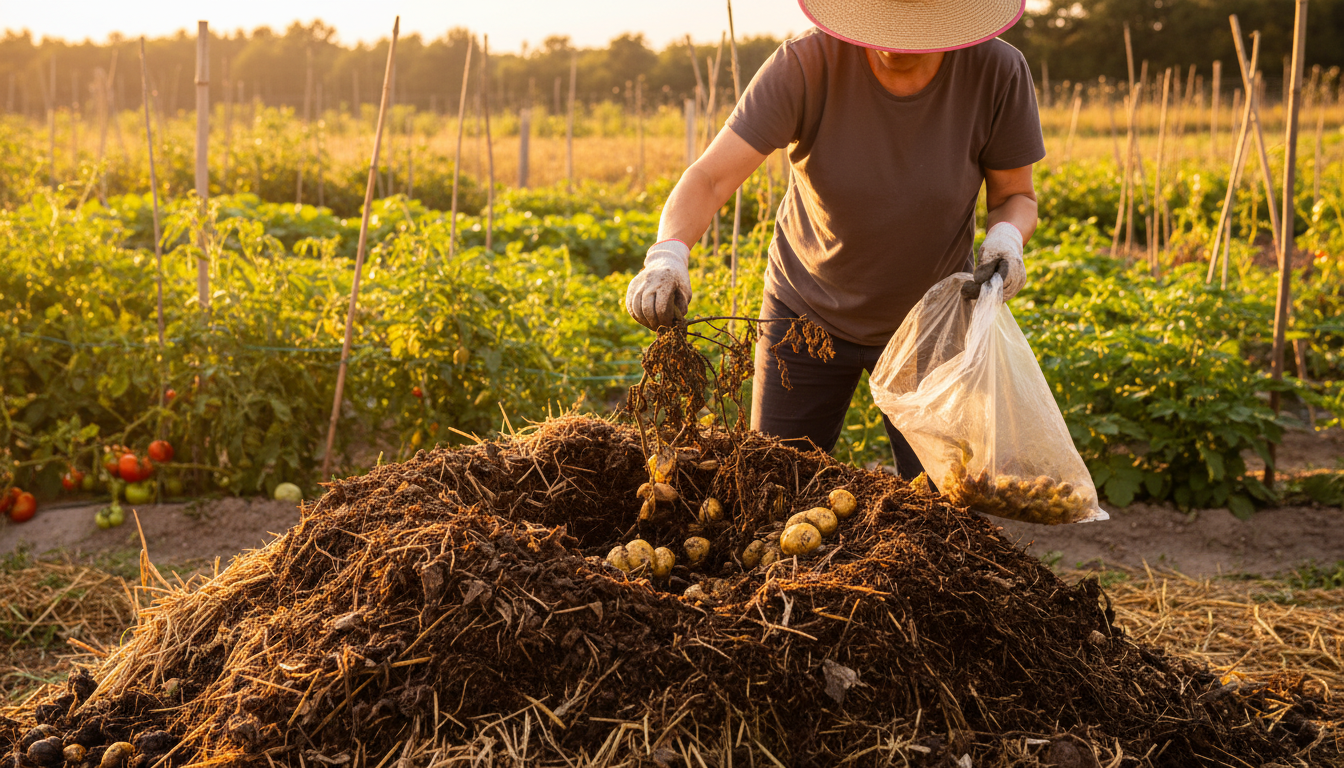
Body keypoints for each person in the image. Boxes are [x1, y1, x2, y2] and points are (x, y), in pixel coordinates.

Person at [625, 0, 1045, 477]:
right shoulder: (806, 64)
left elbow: (1015, 195)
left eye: (915, 30)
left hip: (931, 322)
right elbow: (711, 178)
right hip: (806, 314)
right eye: (881, 24)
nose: (893, 45)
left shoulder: (996, 70)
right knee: (775, 483)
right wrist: (667, 254)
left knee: (942, 507)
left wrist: (1007, 238)